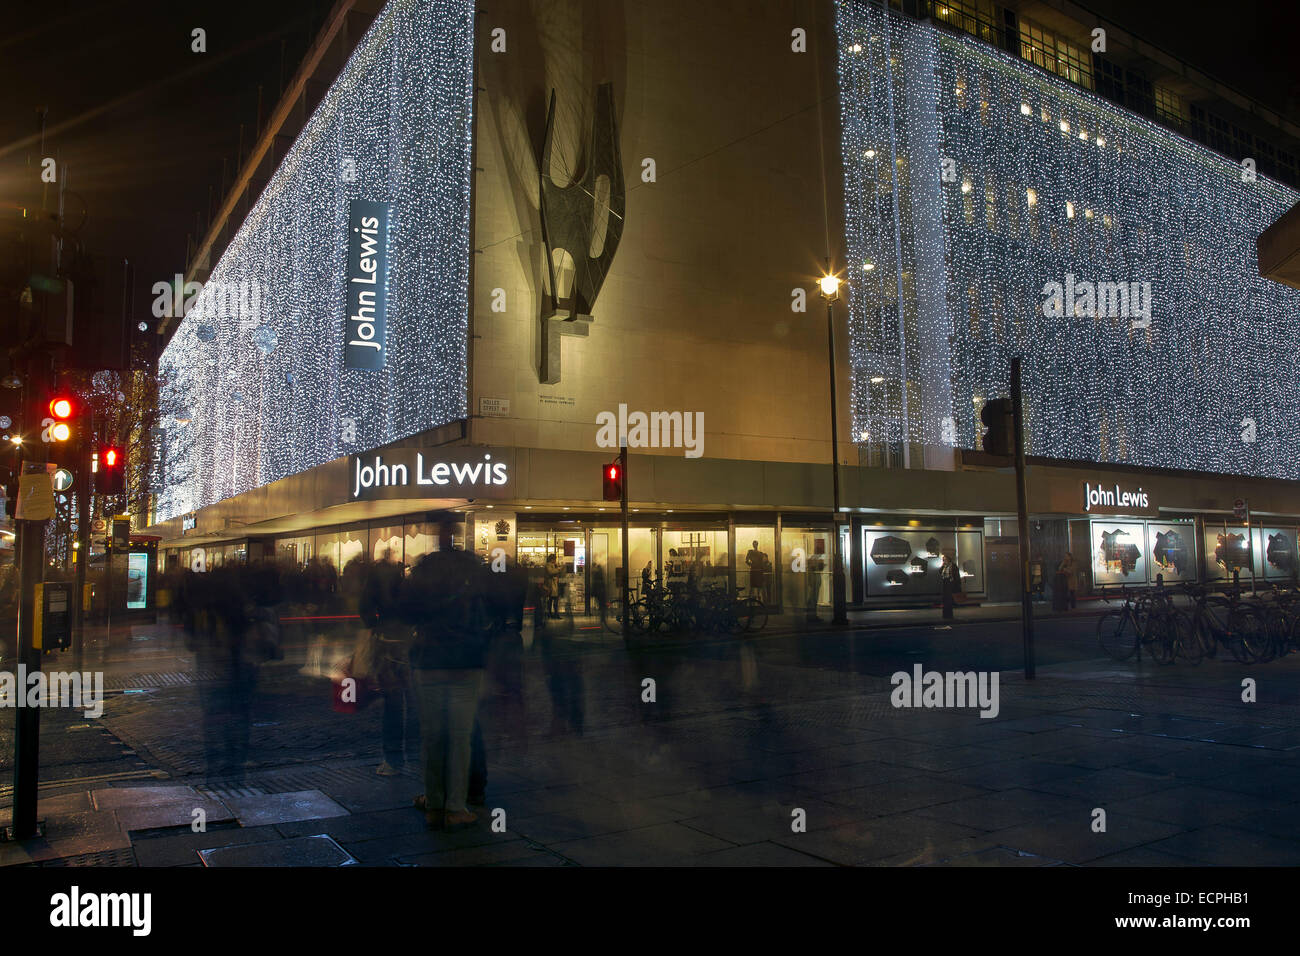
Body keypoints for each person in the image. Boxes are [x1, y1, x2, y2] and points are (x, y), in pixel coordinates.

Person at [401, 526, 490, 830]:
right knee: (460, 736)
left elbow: (407, 610)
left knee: (432, 736)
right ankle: (455, 807)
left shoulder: (425, 568)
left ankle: (434, 802)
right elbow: (489, 606)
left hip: (430, 660)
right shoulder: (472, 566)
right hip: (466, 659)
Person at [360, 548, 411, 777]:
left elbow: (365, 608)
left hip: (386, 640)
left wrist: (373, 623)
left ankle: (393, 759)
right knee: (413, 700)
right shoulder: (404, 583)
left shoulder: (375, 580)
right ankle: (416, 753)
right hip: (406, 640)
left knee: (392, 701)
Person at [939, 552, 961, 620]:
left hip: (950, 583)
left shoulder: (953, 566)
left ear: (948, 559)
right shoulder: (944, 566)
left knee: (949, 599)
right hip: (945, 583)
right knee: (945, 599)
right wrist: (942, 565)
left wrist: (957, 585)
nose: (944, 560)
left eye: (945, 559)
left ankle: (949, 615)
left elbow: (956, 576)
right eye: (943, 559)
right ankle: (945, 615)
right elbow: (940, 572)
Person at [543, 554, 561, 618]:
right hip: (550, 585)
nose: (555, 560)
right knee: (551, 599)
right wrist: (558, 569)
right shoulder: (548, 565)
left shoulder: (554, 565)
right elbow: (551, 572)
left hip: (554, 584)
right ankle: (551, 613)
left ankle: (554, 613)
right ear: (552, 559)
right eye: (554, 559)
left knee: (554, 599)